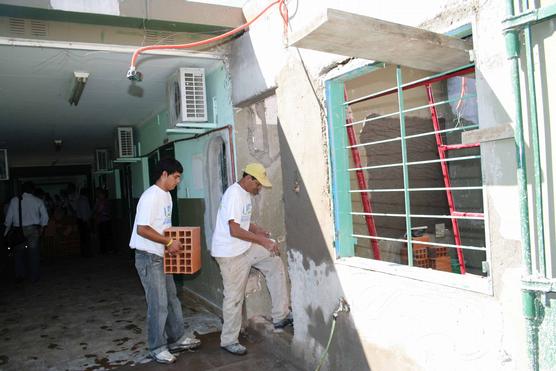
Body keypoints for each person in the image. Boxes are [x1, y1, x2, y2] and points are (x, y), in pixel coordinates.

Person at [211, 163, 292, 356]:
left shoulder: (245, 194)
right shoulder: (234, 195)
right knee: (234, 297)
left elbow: (244, 223)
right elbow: (234, 229)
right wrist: (262, 240)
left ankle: (281, 315)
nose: (259, 188)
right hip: (230, 254)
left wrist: (257, 230)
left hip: (244, 248)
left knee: (274, 260)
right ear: (249, 179)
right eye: (258, 184)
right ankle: (229, 340)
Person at [129, 158, 201, 364]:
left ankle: (177, 338)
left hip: (161, 256)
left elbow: (162, 226)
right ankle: (157, 347)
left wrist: (169, 245)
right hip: (148, 258)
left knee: (171, 298)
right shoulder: (150, 196)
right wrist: (169, 241)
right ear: (164, 174)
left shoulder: (167, 196)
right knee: (157, 304)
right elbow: (142, 229)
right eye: (176, 177)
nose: (178, 181)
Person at [4, 181, 49, 283]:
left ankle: (20, 275)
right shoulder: (38, 201)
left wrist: (6, 231)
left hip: (18, 230)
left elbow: (9, 218)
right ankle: (34, 277)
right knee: (34, 254)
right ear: (32, 190)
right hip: (33, 230)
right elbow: (45, 217)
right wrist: (42, 227)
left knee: (19, 254)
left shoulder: (14, 200)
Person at [93, 188, 114, 254]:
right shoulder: (103, 201)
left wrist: (97, 214)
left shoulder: (102, 201)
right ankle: (106, 249)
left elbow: (98, 210)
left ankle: (105, 250)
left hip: (104, 221)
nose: (98, 195)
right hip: (104, 220)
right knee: (105, 236)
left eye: (99, 193)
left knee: (104, 236)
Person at [75, 188, 92, 257]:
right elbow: (84, 213)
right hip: (83, 221)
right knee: (86, 237)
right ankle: (86, 253)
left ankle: (84, 252)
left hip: (81, 221)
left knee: (83, 238)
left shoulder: (80, 200)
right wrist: (87, 222)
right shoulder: (83, 200)